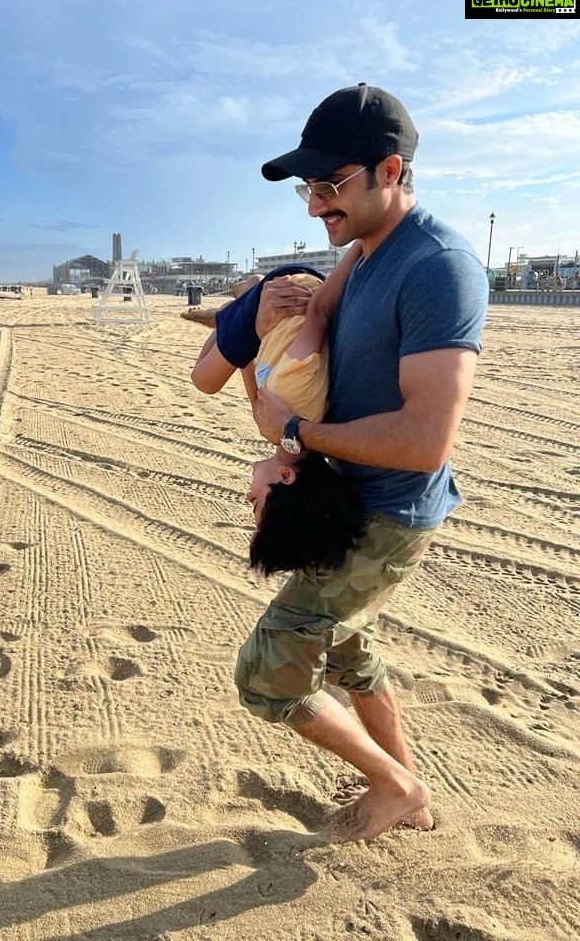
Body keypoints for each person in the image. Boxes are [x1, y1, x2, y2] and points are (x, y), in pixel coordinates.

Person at [212, 83, 489, 842]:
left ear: (390, 171)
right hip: (348, 499)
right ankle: (415, 800)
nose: (313, 207)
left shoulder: (438, 267)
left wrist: (296, 431)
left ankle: (396, 784)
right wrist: (264, 325)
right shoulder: (367, 253)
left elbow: (425, 439)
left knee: (268, 673)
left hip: (388, 514)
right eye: (310, 189)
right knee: (350, 652)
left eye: (330, 187)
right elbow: (326, 308)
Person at [190, 248, 367, 575]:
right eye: (255, 503)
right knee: (203, 381)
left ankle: (228, 316)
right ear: (286, 477)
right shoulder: (298, 400)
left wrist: (238, 341)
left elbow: (253, 372)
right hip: (286, 292)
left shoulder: (288, 427)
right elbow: (318, 314)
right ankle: (240, 300)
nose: (247, 495)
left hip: (276, 323)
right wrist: (356, 253)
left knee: (228, 361)